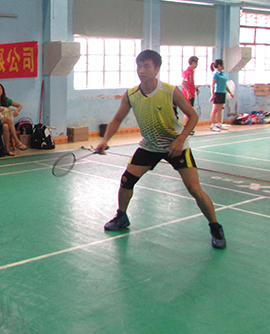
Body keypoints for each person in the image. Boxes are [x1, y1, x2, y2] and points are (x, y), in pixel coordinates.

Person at [97, 50, 226, 249]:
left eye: (146, 66)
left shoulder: (169, 91)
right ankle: (121, 216)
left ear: (157, 69)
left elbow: (193, 116)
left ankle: (215, 227)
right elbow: (117, 119)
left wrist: (180, 140)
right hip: (150, 145)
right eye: (139, 66)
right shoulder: (131, 95)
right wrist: (105, 139)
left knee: (194, 189)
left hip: (176, 145)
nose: (141, 70)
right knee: (126, 180)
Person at [0, 83, 27, 155]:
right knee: (8, 119)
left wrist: (17, 110)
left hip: (3, 124)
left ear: (2, 91)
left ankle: (7, 150)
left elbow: (19, 106)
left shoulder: (6, 100)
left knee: (6, 126)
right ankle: (17, 141)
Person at [209, 59, 233, 132]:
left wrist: (230, 92)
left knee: (220, 110)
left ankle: (219, 124)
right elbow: (213, 85)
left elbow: (225, 84)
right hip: (217, 93)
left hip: (223, 92)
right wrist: (213, 95)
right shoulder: (215, 74)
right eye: (222, 64)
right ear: (219, 65)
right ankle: (212, 125)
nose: (223, 66)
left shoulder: (222, 73)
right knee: (215, 110)